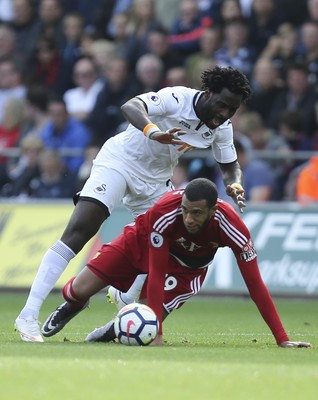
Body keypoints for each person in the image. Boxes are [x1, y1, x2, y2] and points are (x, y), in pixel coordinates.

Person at [15, 65, 251, 343]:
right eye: (222, 105)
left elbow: (230, 164)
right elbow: (131, 106)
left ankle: (124, 307)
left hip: (156, 181)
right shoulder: (177, 98)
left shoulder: (221, 127)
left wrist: (235, 183)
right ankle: (28, 315)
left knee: (169, 245)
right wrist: (152, 131)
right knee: (81, 228)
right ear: (208, 92)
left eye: (231, 109)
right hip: (120, 162)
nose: (224, 114)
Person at [41, 178, 311, 349]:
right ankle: (73, 304)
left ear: (213, 211)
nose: (189, 218)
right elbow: (156, 272)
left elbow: (255, 285)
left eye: (196, 213)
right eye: (185, 210)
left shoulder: (232, 228)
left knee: (148, 316)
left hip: (187, 268)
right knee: (77, 288)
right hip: (140, 240)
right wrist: (157, 331)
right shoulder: (165, 212)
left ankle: (114, 328)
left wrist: (282, 337)